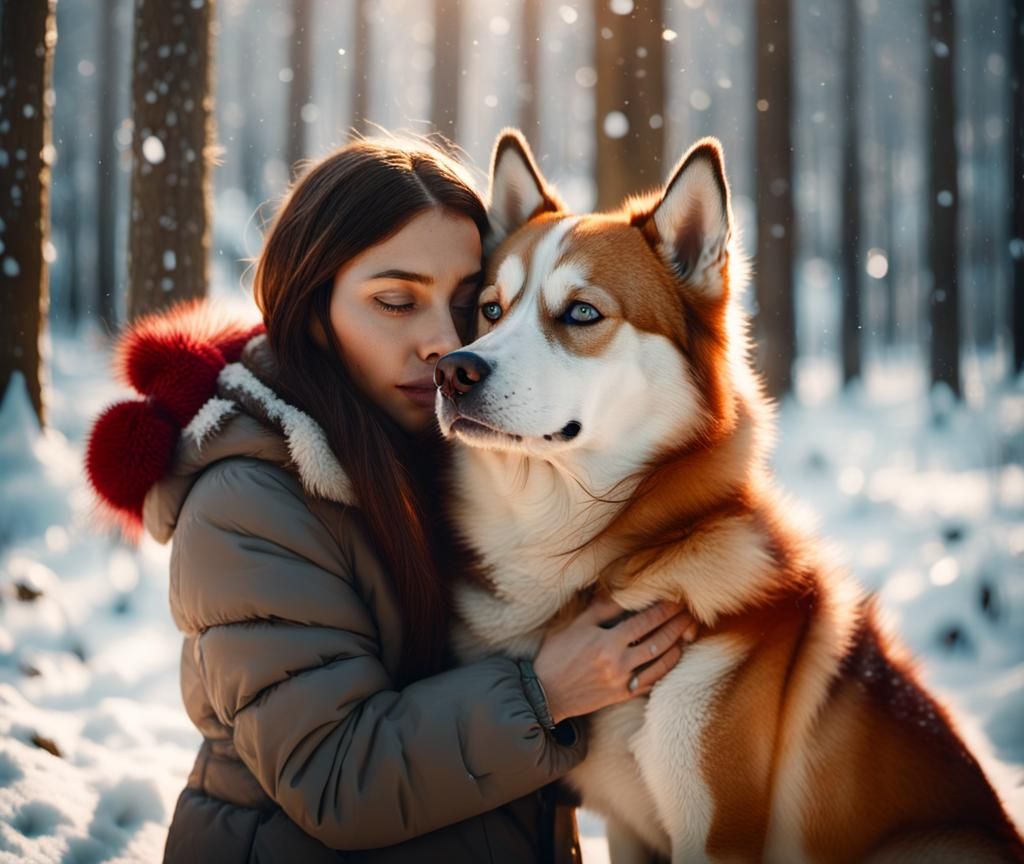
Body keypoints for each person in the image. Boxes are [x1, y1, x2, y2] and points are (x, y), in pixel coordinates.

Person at [85, 140, 696, 863]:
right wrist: (543, 696)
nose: (444, 343)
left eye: (472, 304)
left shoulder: (465, 459)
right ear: (312, 308)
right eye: (397, 301)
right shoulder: (247, 496)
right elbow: (335, 778)